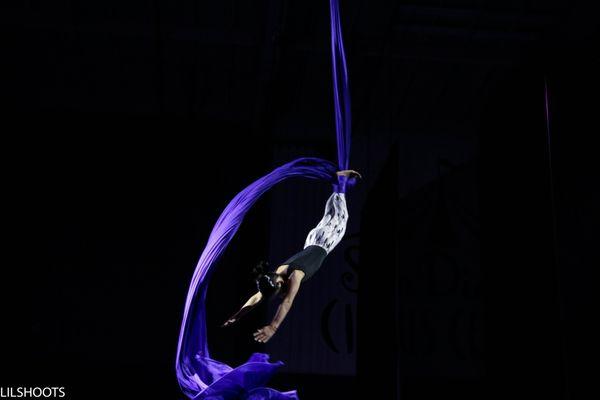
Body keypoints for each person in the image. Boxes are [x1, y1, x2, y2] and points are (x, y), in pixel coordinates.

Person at [221, 169, 361, 343]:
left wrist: (273, 327)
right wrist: (238, 314)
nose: (280, 294)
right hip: (312, 239)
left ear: (279, 282)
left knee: (341, 216)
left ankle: (340, 183)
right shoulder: (278, 272)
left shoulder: (295, 275)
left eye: (279, 291)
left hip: (325, 240)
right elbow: (257, 297)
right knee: (330, 214)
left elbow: (287, 302)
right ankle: (337, 185)